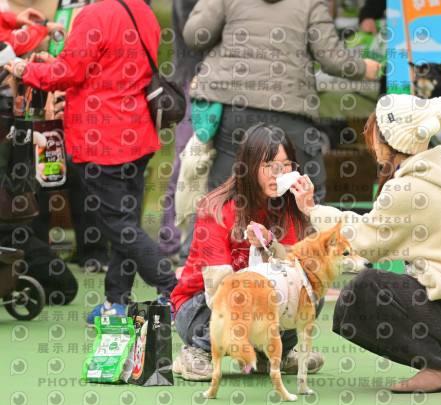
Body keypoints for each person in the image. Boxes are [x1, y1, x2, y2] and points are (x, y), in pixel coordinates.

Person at [291, 94, 441, 393]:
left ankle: (439, 367)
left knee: (364, 289)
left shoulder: (407, 188)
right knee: (396, 284)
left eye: (375, 133)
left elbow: (365, 242)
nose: (371, 141)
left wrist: (312, 211)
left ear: (391, 139)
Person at [3, 0, 177, 326]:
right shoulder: (143, 11)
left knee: (118, 226)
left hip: (102, 138)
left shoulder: (94, 14)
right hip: (137, 133)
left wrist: (26, 70)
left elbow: (68, 73)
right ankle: (116, 301)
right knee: (125, 223)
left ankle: (173, 289)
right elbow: (105, 67)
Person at [182, 0, 381, 205]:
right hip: (289, 110)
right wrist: (362, 67)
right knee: (306, 193)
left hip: (232, 105)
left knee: (225, 194)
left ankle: (224, 225)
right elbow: (331, 58)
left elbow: (195, 35)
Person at [170, 122, 326, 381]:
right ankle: (198, 351)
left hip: (257, 306)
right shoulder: (216, 209)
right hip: (200, 309)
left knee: (309, 289)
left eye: (286, 165)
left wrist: (304, 214)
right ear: (248, 167)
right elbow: (217, 290)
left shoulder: (288, 206)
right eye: (269, 166)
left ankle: (272, 354)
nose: (279, 174)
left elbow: (299, 271)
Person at [157, 0, 206, 262]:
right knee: (184, 163)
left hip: (216, 83)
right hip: (193, 80)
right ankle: (171, 242)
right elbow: (196, 35)